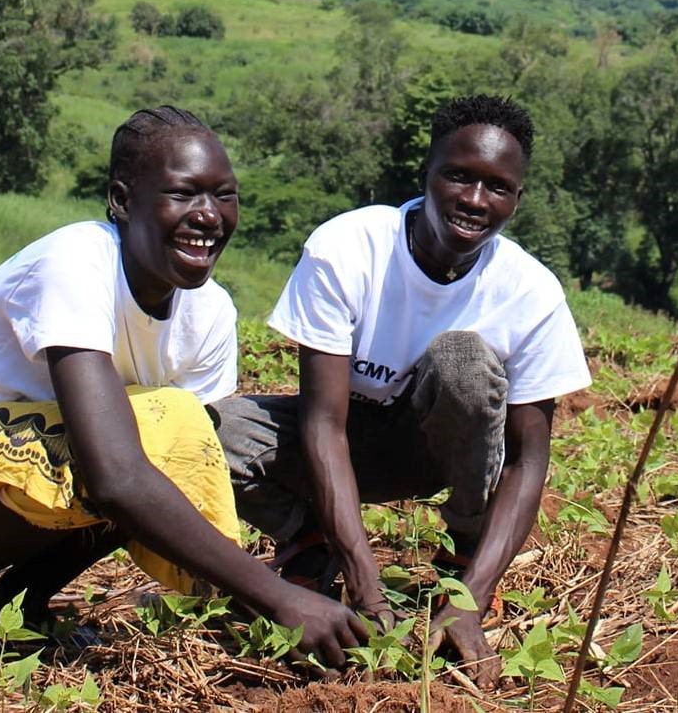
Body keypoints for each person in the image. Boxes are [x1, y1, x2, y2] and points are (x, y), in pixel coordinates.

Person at [0, 106, 366, 662]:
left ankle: (21, 607)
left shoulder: (209, 314)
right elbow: (115, 477)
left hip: (2, 472)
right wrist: (278, 599)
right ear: (122, 199)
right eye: (184, 194)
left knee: (166, 442)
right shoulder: (76, 262)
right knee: (130, 444)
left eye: (224, 195)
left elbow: (170, 473)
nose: (209, 216)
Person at [212, 95, 591, 686]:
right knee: (213, 433)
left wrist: (473, 600)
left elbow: (525, 461)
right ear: (427, 173)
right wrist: (367, 585)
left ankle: (466, 548)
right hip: (339, 442)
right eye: (458, 176)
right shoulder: (349, 248)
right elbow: (321, 424)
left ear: (518, 199)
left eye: (497, 187)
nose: (474, 200)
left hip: (437, 453)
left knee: (462, 360)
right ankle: (311, 536)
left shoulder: (530, 294)